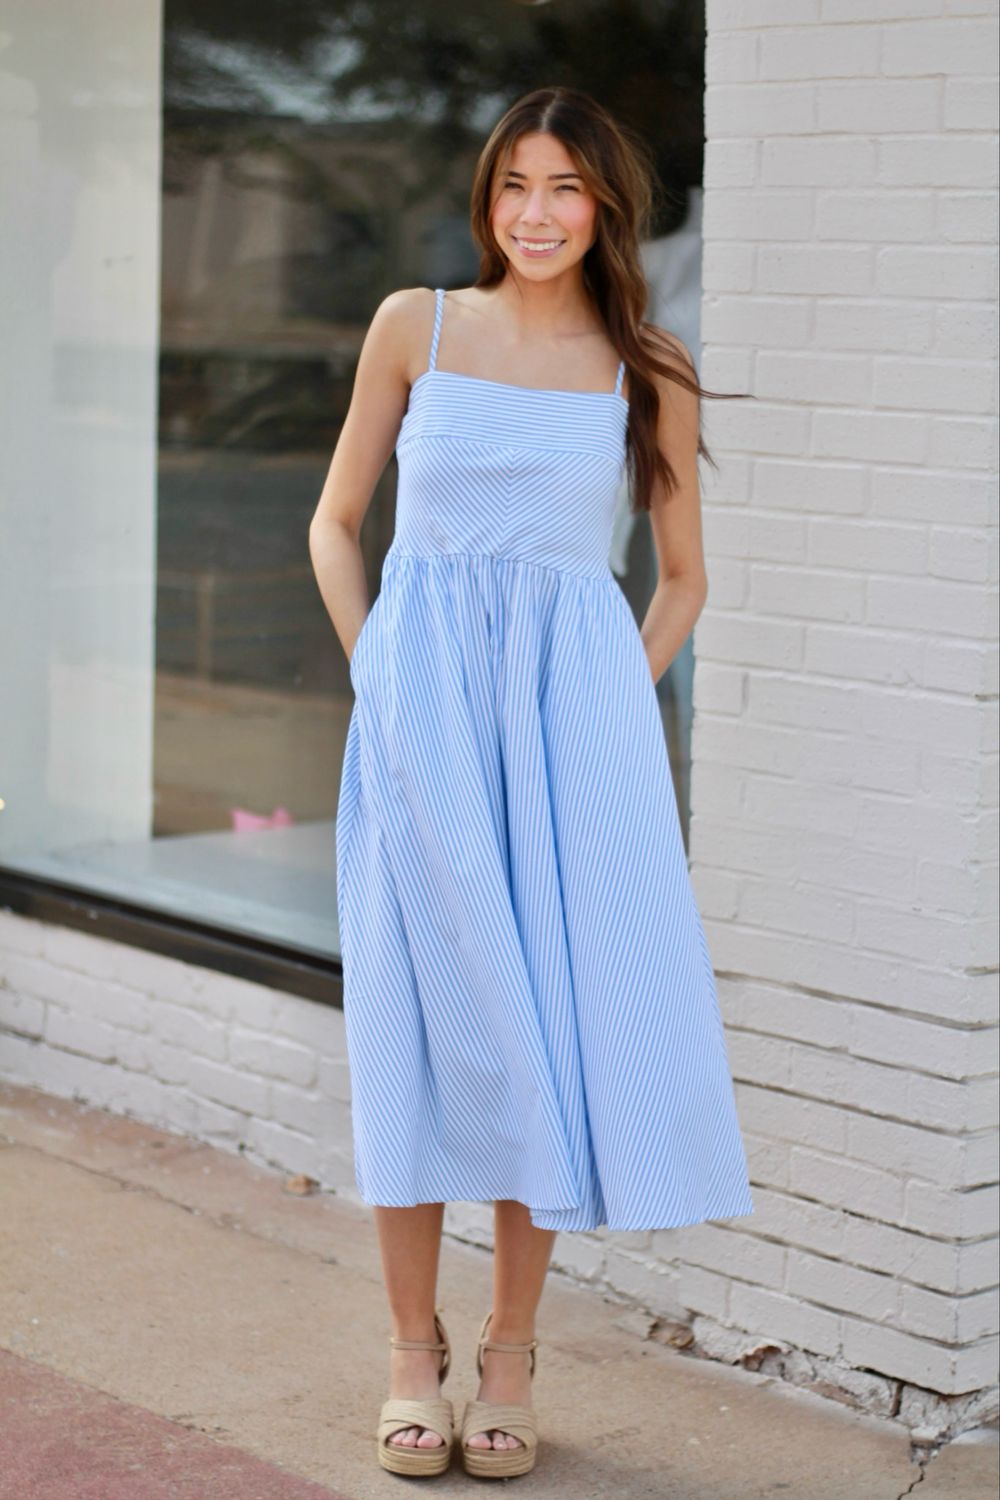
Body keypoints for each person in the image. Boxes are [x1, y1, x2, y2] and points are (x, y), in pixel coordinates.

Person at [308, 84, 754, 1481]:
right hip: (414, 729)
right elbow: (332, 524)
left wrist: (612, 704)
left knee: (537, 1034)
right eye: (515, 186)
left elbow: (683, 580)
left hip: (572, 748)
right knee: (417, 1031)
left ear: (607, 206)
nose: (538, 213)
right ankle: (406, 1354)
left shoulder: (648, 367)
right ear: (487, 198)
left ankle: (509, 1352)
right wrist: (379, 670)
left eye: (565, 188)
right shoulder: (415, 326)